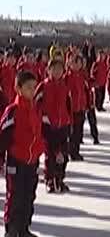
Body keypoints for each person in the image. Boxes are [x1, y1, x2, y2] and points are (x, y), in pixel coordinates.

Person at [1, 71, 43, 237]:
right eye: (28, 88)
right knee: (15, 195)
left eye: (34, 88)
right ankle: (11, 230)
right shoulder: (13, 111)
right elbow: (3, 136)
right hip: (16, 160)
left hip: (31, 160)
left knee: (28, 195)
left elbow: (39, 134)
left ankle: (24, 228)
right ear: (18, 89)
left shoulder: (35, 109)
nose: (32, 91)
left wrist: (40, 151)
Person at [35, 58, 71, 193]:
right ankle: (50, 179)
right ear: (48, 70)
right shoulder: (44, 86)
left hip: (63, 124)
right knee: (50, 154)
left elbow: (68, 104)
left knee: (63, 154)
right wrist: (42, 118)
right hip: (48, 126)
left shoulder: (64, 86)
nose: (57, 72)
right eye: (54, 69)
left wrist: (69, 120)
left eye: (60, 69)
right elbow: (36, 103)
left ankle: (59, 178)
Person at [66, 55, 90, 161]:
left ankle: (76, 151)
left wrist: (87, 104)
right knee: (73, 132)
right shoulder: (67, 77)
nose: (78, 65)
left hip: (81, 107)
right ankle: (72, 152)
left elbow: (85, 91)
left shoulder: (81, 76)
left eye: (79, 63)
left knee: (79, 132)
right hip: (72, 109)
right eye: (76, 63)